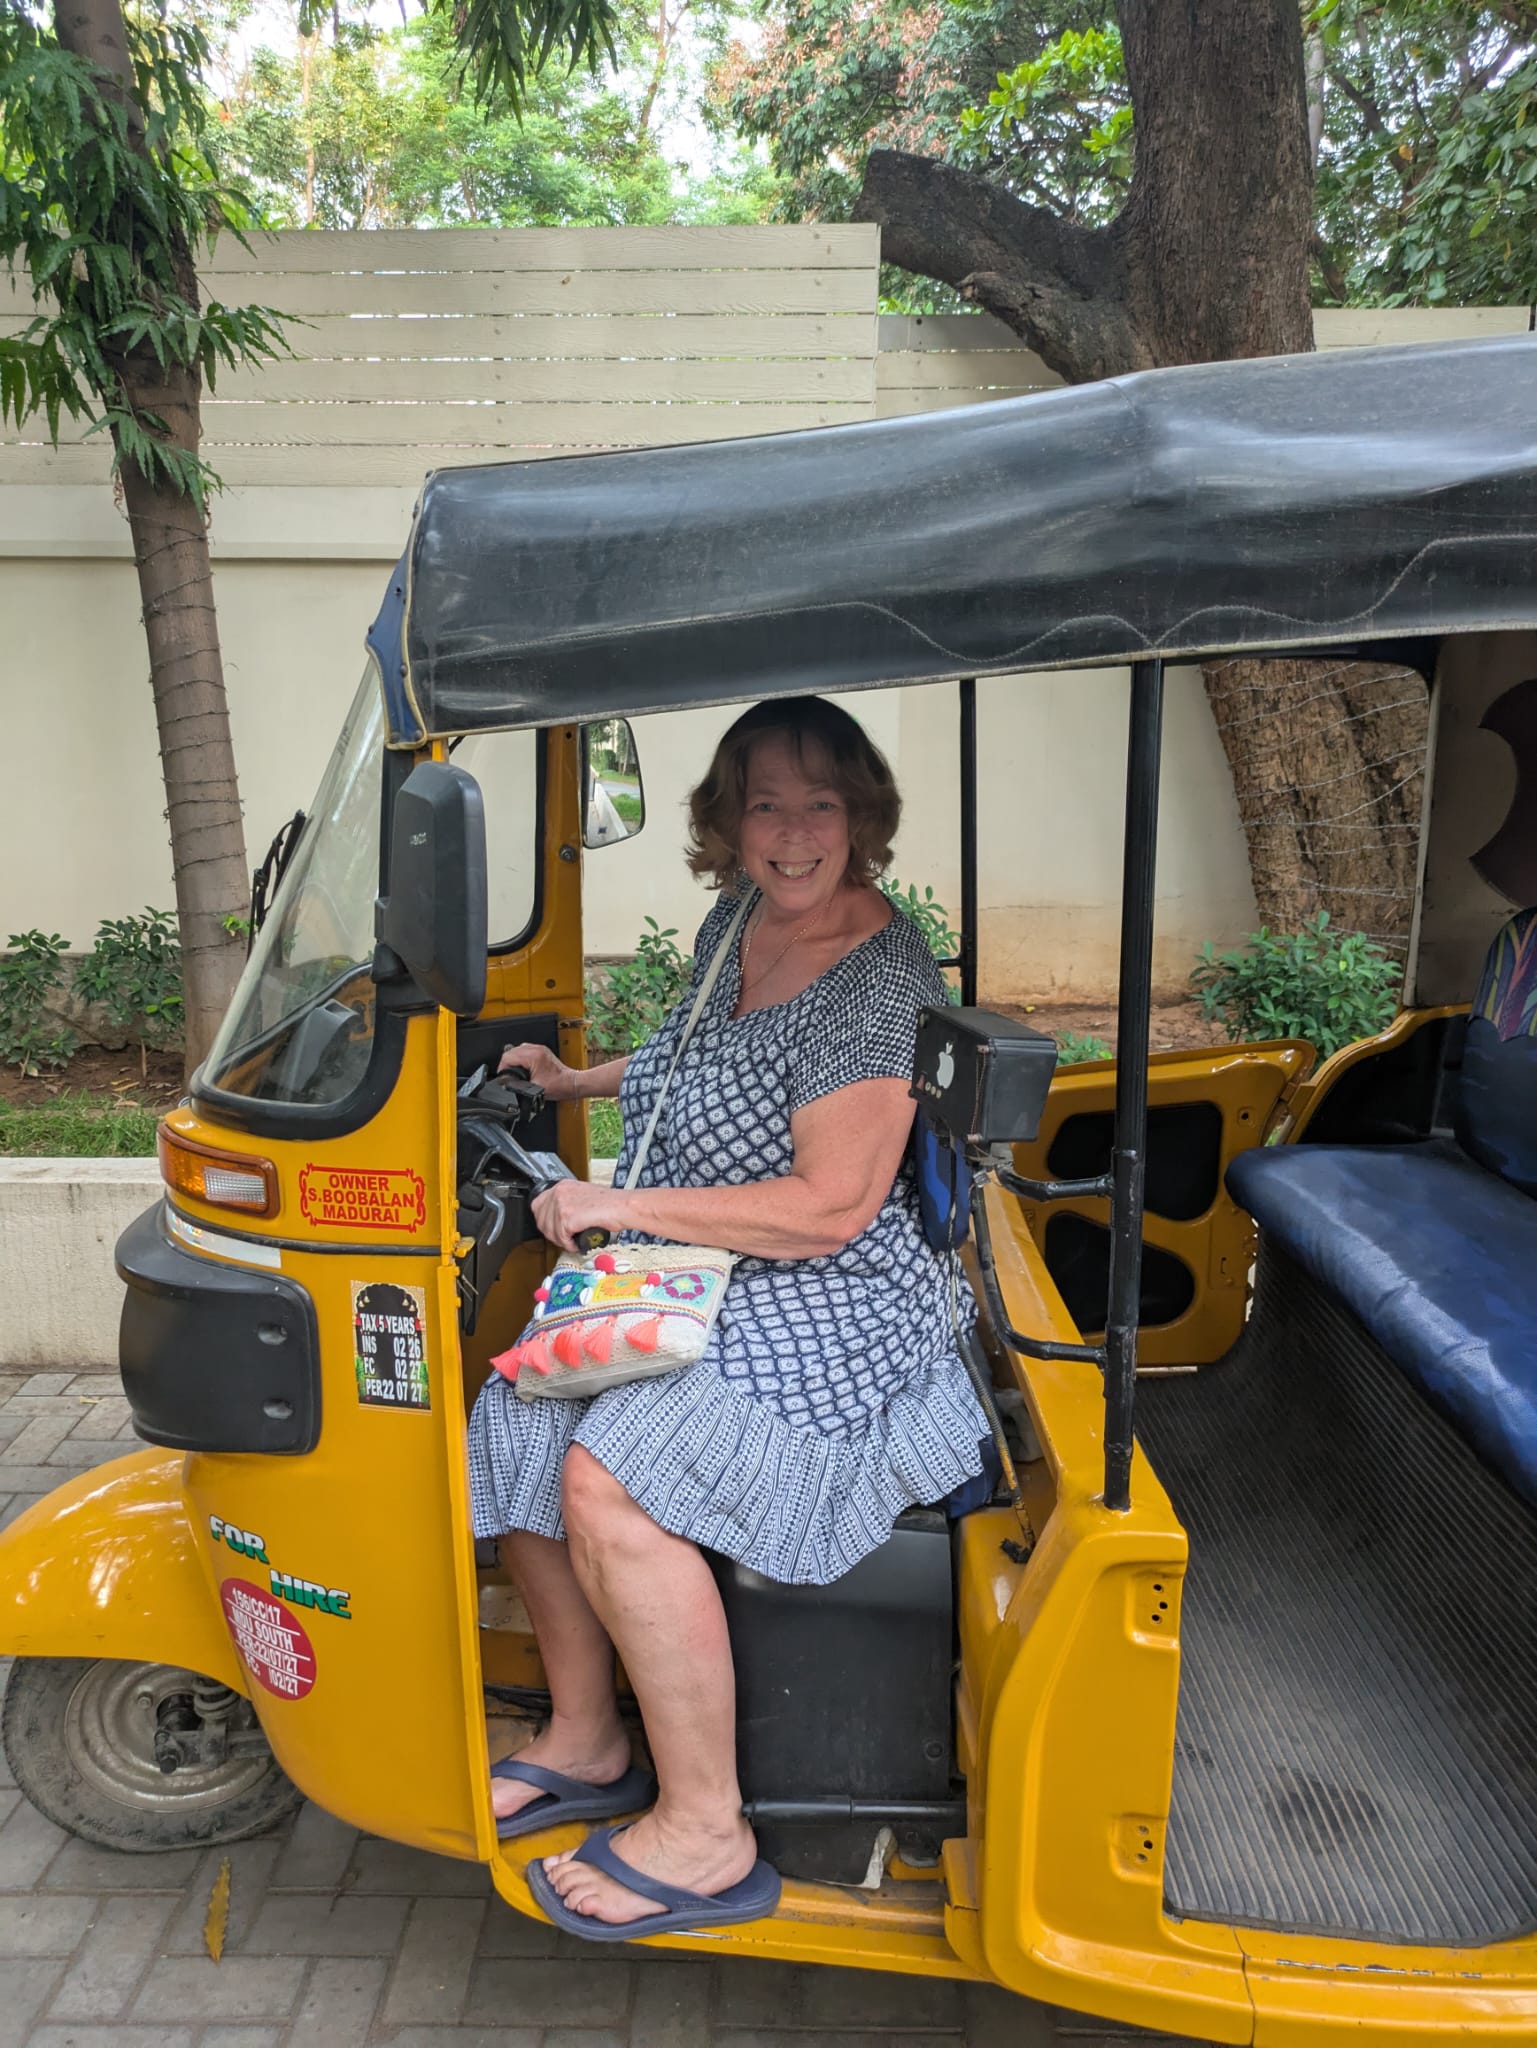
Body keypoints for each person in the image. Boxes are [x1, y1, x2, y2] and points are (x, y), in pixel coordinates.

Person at [466, 695, 987, 1939]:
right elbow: (698, 1054)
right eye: (765, 803)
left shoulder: (877, 976)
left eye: (821, 803)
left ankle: (708, 1822)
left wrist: (616, 1200)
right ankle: (591, 1735)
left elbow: (828, 1209)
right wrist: (577, 1079)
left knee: (613, 1473)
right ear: (728, 821)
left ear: (862, 816)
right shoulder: (742, 916)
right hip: (711, 1257)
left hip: (834, 1290)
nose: (793, 831)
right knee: (519, 1410)